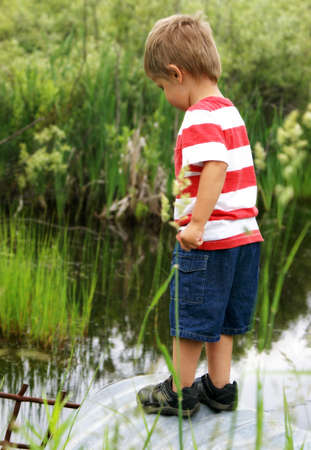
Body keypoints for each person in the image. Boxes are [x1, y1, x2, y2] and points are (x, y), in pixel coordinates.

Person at [137, 13, 263, 417]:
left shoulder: (198, 116)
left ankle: (181, 390)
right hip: (245, 237)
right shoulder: (230, 111)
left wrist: (196, 225)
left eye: (161, 86)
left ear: (176, 74)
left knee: (188, 317)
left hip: (209, 241)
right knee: (224, 317)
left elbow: (215, 168)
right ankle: (220, 388)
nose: (164, 95)